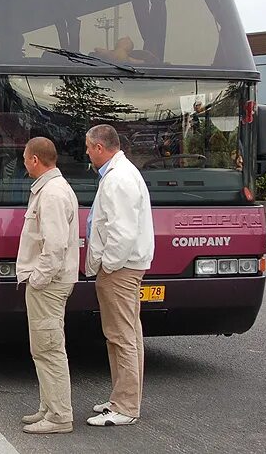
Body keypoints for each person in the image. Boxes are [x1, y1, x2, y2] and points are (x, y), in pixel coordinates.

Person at [84, 124, 154, 427]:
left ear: (100, 148)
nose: (86, 153)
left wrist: (108, 265)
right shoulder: (122, 174)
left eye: (88, 147)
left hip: (120, 269)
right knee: (128, 335)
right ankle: (122, 399)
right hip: (125, 266)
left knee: (121, 336)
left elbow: (121, 232)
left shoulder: (117, 179)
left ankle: (125, 406)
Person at [16, 137, 79, 435]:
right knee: (42, 348)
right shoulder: (52, 189)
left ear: (35, 160)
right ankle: (48, 406)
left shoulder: (51, 194)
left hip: (48, 284)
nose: (24, 162)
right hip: (50, 282)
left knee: (49, 348)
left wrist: (38, 279)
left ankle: (58, 416)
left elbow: (54, 247)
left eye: (25, 158)